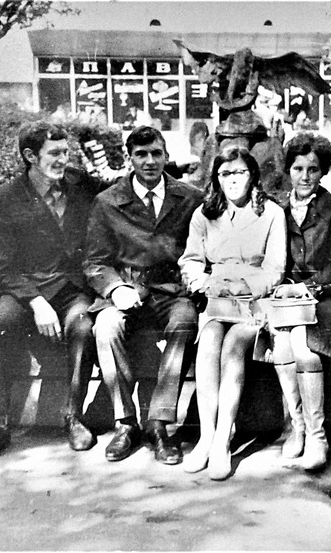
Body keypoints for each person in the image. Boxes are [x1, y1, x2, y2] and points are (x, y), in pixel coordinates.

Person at [0, 121, 103, 463]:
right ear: (30, 156)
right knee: (0, 321)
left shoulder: (80, 185)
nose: (63, 160)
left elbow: (119, 189)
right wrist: (36, 302)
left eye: (66, 152)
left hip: (71, 287)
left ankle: (73, 416)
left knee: (83, 326)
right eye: (54, 153)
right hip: (24, 288)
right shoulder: (2, 200)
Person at [84, 126, 203, 465]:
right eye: (141, 155)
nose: (149, 161)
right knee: (106, 327)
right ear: (129, 158)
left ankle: (158, 424)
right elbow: (94, 262)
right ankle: (125, 423)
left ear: (166, 156)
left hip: (171, 289)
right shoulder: (107, 202)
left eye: (156, 154)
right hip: (126, 288)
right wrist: (115, 288)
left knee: (185, 322)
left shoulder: (190, 197)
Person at [179, 145, 287, 480]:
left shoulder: (271, 213)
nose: (233, 180)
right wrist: (200, 279)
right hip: (217, 300)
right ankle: (206, 437)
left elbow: (275, 269)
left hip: (255, 303)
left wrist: (244, 286)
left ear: (252, 175)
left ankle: (224, 438)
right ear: (216, 178)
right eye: (225, 174)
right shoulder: (204, 214)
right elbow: (191, 260)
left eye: (239, 172)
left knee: (234, 344)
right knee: (209, 340)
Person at [271, 133, 331, 471]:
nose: (305, 176)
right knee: (281, 346)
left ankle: (317, 436)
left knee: (303, 345)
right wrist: (282, 289)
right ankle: (297, 426)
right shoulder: (276, 209)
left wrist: (306, 287)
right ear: (288, 170)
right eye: (298, 168)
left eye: (313, 169)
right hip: (288, 300)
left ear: (323, 171)